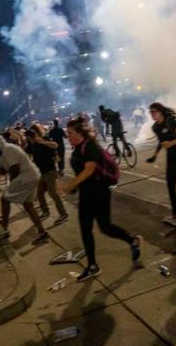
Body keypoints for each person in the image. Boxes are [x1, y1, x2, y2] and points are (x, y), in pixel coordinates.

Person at [60, 115, 142, 282]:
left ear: (78, 133)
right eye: (67, 133)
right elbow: (82, 173)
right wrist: (75, 187)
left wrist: (70, 185)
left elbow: (89, 169)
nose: (68, 136)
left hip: (99, 192)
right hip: (87, 194)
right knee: (85, 228)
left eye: (70, 133)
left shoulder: (90, 147)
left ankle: (132, 239)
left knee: (105, 227)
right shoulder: (78, 149)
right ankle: (92, 266)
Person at [0, 133, 49, 244]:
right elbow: (3, 171)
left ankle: (4, 229)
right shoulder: (3, 154)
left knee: (4, 199)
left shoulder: (8, 149)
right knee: (28, 205)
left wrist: (12, 185)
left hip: (26, 177)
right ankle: (42, 232)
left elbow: (15, 168)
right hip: (31, 177)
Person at [26, 124, 68, 224]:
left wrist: (43, 142)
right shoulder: (32, 145)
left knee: (53, 194)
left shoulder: (43, 139)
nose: (30, 139)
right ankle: (45, 211)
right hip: (43, 172)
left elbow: (55, 145)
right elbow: (28, 155)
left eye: (32, 135)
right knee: (40, 193)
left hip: (50, 171)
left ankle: (63, 214)